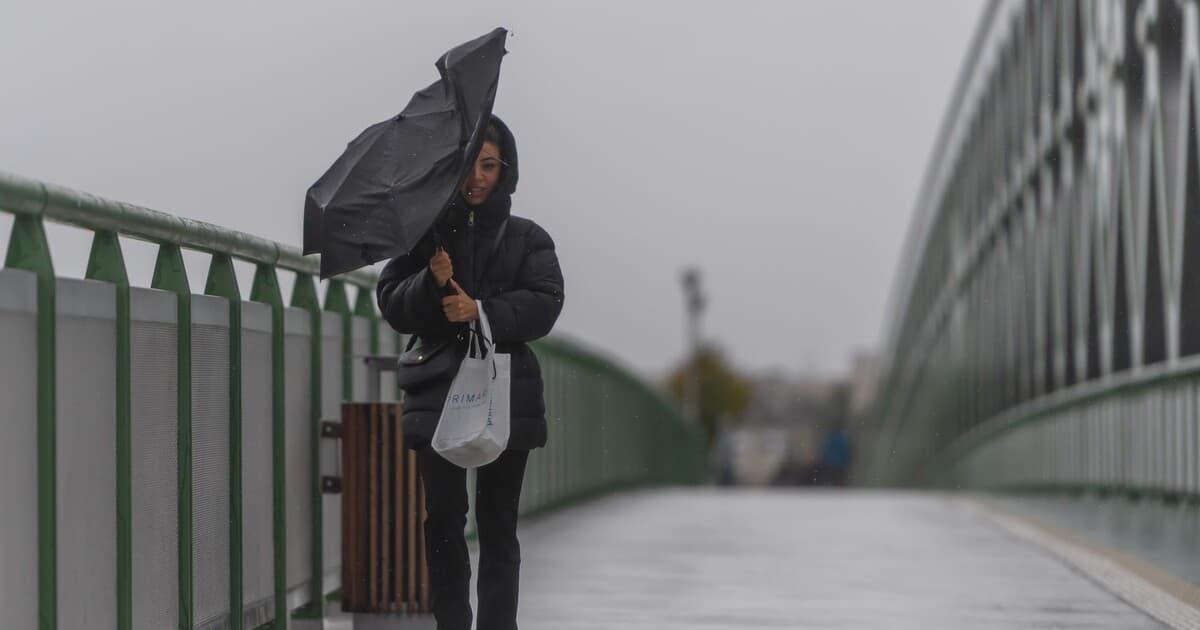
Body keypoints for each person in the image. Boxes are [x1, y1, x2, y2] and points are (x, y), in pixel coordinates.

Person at [376, 115, 564, 630]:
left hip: (506, 388)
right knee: (442, 523)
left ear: (506, 170)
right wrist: (430, 284)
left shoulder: (528, 238)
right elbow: (392, 303)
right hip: (438, 390)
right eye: (467, 165)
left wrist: (481, 310)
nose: (476, 177)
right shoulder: (424, 235)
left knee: (498, 524)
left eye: (488, 165)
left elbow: (546, 303)